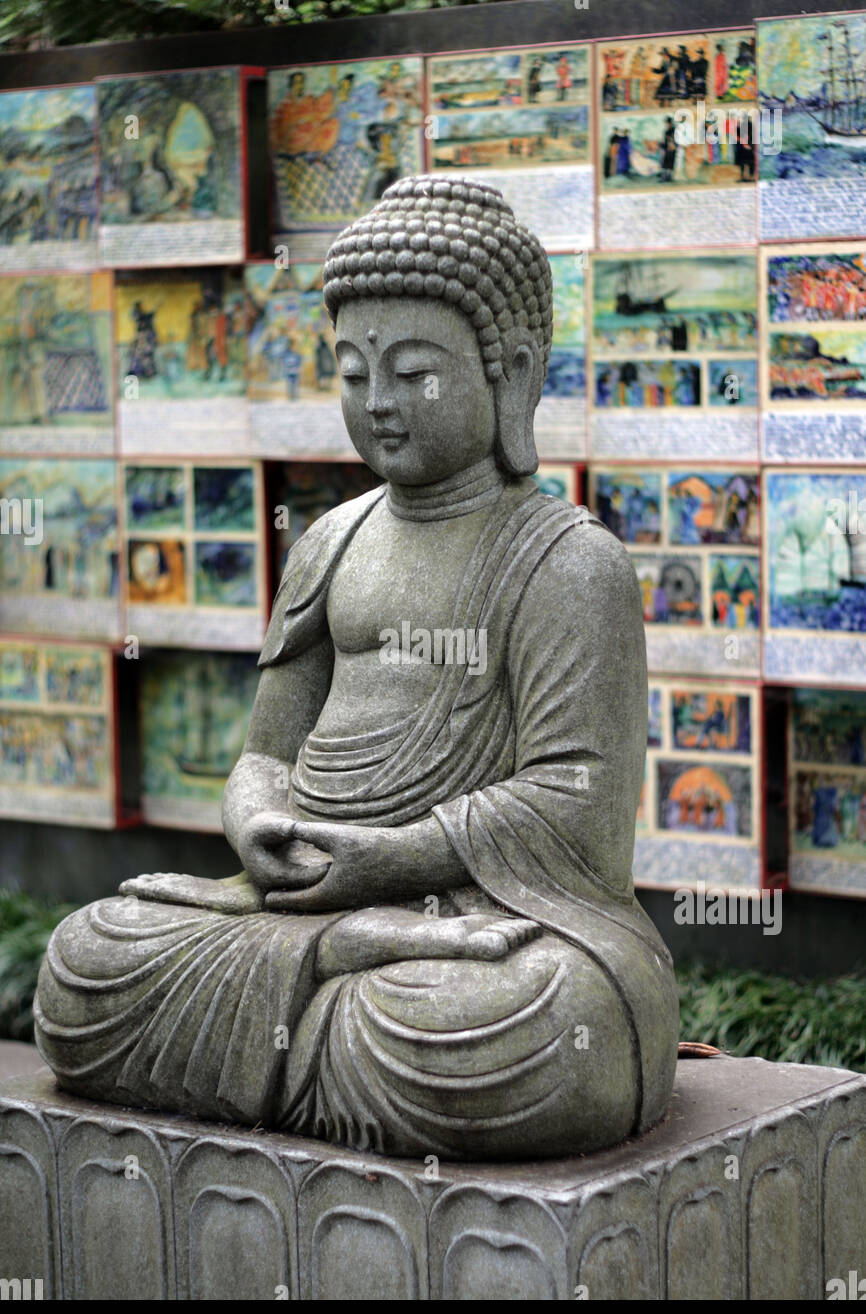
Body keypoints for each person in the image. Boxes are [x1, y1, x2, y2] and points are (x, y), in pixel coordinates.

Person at [35, 176, 678, 1162]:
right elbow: (265, 753)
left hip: (484, 921)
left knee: (520, 1026)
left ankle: (323, 996)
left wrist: (392, 860)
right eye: (349, 372)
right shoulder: (329, 544)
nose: (377, 402)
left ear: (509, 375)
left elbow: (576, 802)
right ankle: (330, 963)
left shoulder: (567, 561)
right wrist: (255, 822)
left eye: (413, 371)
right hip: (306, 909)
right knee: (87, 962)